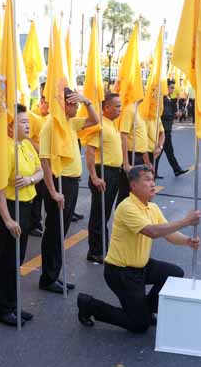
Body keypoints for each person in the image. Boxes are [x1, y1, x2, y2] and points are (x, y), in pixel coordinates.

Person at [76, 165, 201, 333]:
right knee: (138, 325)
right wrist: (185, 221)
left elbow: (169, 234)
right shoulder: (127, 207)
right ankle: (89, 304)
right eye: (147, 180)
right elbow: (152, 232)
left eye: (153, 180)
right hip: (121, 272)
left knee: (175, 273)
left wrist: (187, 241)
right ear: (133, 186)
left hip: (141, 266)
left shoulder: (152, 207)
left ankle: (144, 310)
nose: (152, 184)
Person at [38, 88, 98, 294]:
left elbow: (95, 120)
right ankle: (48, 277)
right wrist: (53, 192)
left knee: (61, 231)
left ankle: (55, 274)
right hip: (59, 183)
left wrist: (87, 100)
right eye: (74, 103)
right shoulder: (50, 126)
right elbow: (44, 161)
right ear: (63, 104)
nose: (77, 107)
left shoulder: (70, 124)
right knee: (54, 231)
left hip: (71, 183)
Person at [0, 104, 43, 326]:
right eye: (22, 122)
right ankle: (3, 309)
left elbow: (40, 170)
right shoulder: (5, 150)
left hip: (27, 206)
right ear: (10, 128)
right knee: (7, 261)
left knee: (17, 260)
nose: (27, 125)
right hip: (11, 207)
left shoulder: (27, 146)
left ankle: (13, 304)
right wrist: (8, 219)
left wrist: (31, 179)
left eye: (28, 121)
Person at [85, 93, 121, 264]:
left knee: (105, 213)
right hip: (103, 172)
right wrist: (94, 176)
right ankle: (95, 251)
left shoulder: (112, 124)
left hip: (114, 173)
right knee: (99, 213)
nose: (120, 109)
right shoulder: (99, 124)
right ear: (106, 107)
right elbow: (90, 151)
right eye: (117, 106)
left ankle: (102, 249)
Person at [28, 82, 50, 237]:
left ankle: (36, 222)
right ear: (41, 102)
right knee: (35, 195)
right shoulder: (33, 116)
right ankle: (33, 223)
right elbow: (27, 139)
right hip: (33, 161)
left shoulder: (48, 117)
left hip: (44, 162)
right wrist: (42, 152)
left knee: (41, 194)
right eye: (48, 104)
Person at [117, 101, 149, 203]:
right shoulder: (129, 109)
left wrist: (146, 160)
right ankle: (120, 218)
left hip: (140, 156)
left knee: (138, 192)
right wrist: (126, 163)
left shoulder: (140, 109)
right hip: (132, 155)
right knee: (126, 192)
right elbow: (124, 135)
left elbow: (141, 137)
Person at [155, 80, 188, 178]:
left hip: (166, 128)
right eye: (171, 87)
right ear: (166, 87)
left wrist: (178, 113)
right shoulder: (163, 99)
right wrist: (174, 114)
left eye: (173, 87)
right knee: (166, 151)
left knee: (164, 152)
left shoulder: (168, 98)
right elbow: (164, 114)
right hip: (164, 129)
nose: (173, 89)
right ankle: (176, 169)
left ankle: (175, 170)